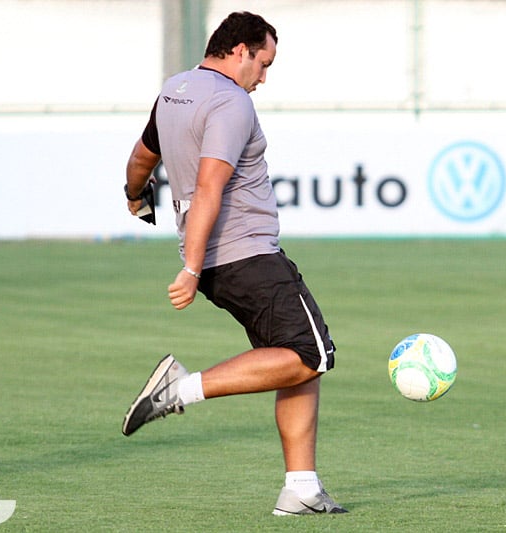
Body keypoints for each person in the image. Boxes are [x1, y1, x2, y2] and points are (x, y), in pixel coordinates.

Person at [121, 11, 346, 516]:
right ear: (240, 50)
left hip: (223, 262)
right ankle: (178, 388)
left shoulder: (175, 89)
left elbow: (141, 159)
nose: (264, 77)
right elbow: (209, 185)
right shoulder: (230, 101)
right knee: (312, 354)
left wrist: (136, 197)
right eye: (263, 63)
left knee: (292, 365)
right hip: (245, 254)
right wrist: (192, 268)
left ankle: (302, 489)